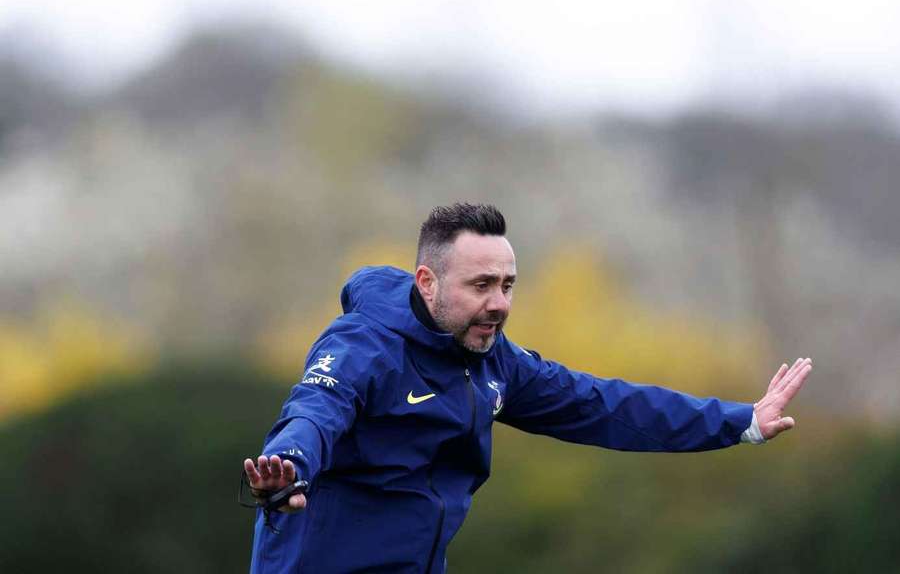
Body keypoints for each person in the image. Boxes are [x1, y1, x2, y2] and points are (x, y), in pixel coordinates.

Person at [244, 203, 811, 574]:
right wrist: (290, 463)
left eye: (508, 285)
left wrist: (741, 421)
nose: (499, 303)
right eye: (481, 285)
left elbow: (604, 405)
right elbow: (317, 409)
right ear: (427, 282)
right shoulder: (364, 345)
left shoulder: (494, 361)